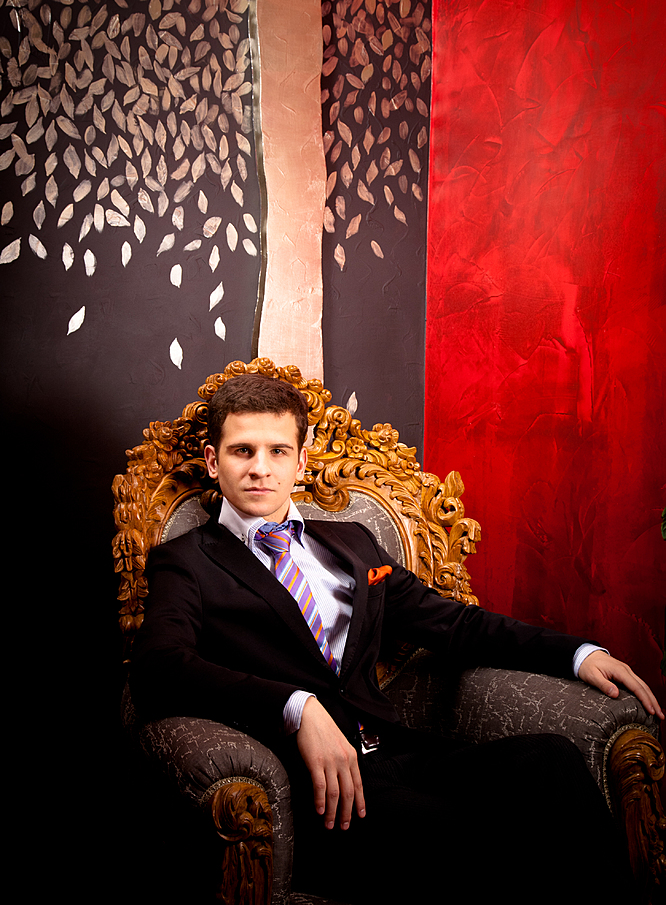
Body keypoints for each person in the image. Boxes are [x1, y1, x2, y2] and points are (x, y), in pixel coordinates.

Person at [131, 374, 662, 903]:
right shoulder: (187, 561)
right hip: (324, 791)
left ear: (302, 460)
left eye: (278, 451)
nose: (260, 468)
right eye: (242, 450)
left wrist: (577, 653)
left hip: (400, 751)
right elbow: (159, 665)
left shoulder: (351, 542)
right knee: (476, 841)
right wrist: (296, 706)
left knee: (551, 760)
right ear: (213, 460)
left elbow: (456, 624)